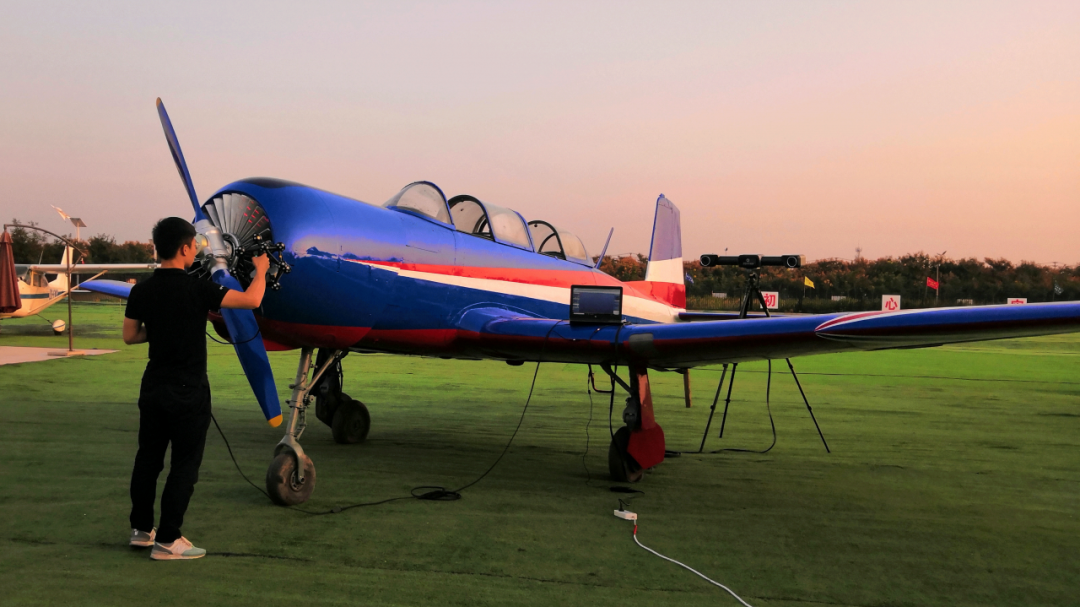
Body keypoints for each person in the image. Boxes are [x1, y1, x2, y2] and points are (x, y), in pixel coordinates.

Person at [123, 217, 269, 560]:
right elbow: (251, 300)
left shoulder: (141, 290)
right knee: (184, 465)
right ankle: (168, 540)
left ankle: (141, 530)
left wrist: (161, 329)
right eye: (195, 246)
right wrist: (261, 270)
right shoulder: (197, 289)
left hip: (153, 387)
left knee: (148, 460)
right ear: (186, 248)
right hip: (188, 391)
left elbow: (130, 336)